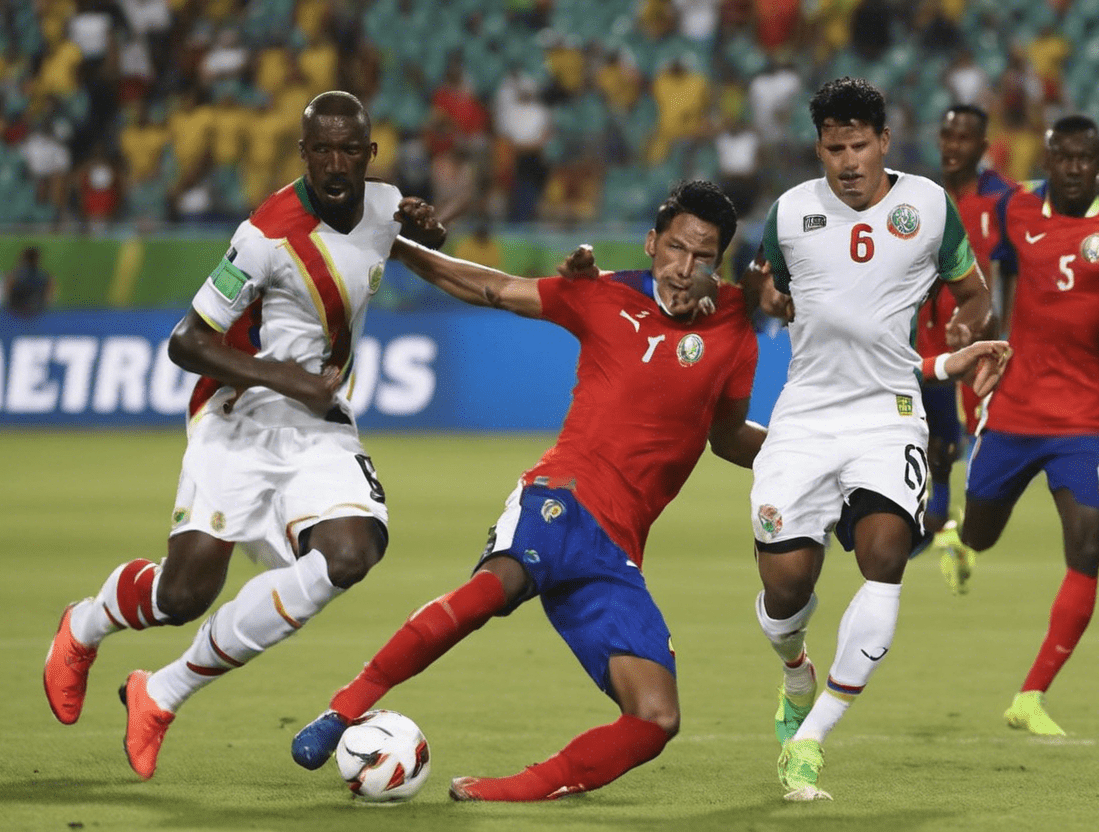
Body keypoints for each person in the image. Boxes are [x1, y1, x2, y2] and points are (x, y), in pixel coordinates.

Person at [292, 178, 1010, 801]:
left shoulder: (735, 328)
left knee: (656, 720)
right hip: (560, 498)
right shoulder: (600, 294)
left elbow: (727, 436)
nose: (685, 267)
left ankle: (509, 791)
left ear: (721, 262)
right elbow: (485, 286)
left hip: (616, 551)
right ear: (651, 242)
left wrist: (812, 460)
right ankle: (343, 708)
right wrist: (386, 242)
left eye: (703, 257)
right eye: (675, 249)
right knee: (494, 590)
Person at [42, 91, 448, 779]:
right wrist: (287, 378)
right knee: (183, 595)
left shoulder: (384, 205)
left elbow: (384, 246)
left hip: (317, 426)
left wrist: (425, 234)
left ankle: (161, 694)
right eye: (322, 150)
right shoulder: (263, 235)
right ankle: (85, 625)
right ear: (303, 153)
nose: (336, 163)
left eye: (351, 149)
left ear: (371, 154)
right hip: (238, 414)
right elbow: (186, 342)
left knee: (350, 552)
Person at [746, 77, 994, 801]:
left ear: (884, 141)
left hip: (889, 411)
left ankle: (810, 740)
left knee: (884, 556)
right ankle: (796, 674)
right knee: (786, 586)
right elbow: (771, 284)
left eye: (859, 145)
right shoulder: (791, 211)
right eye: (833, 147)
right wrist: (769, 293)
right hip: (805, 416)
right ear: (818, 147)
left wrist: (966, 328)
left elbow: (974, 292)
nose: (847, 161)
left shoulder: (927, 206)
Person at [933, 115, 1099, 735]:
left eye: (1085, 158)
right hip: (1015, 410)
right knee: (985, 533)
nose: (1074, 168)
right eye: (1063, 158)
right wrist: (987, 330)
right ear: (1049, 161)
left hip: (1085, 420)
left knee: (1088, 543)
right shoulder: (1017, 213)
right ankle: (964, 542)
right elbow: (1002, 274)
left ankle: (1032, 695)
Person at [914, 105, 1014, 565]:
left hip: (983, 335)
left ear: (983, 146)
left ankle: (963, 528)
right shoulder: (924, 197)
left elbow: (1009, 271)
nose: (952, 146)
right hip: (930, 333)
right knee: (936, 437)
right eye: (947, 135)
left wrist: (995, 325)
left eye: (963, 138)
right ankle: (935, 521)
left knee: (980, 434)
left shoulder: (1003, 201)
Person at [4, 247, 55, 318]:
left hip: (16, 312)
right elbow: (48, 298)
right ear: (37, 259)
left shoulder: (14, 276)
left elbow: (7, 294)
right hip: (37, 313)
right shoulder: (45, 277)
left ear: (24, 259)